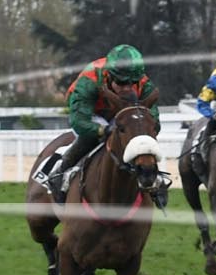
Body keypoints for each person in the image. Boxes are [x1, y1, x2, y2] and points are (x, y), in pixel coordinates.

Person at [49, 44, 160, 202]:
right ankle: (61, 172)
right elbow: (79, 122)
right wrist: (103, 130)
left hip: (121, 113)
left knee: (139, 134)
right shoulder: (90, 80)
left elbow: (154, 122)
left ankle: (155, 179)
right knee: (90, 138)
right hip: (90, 112)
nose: (127, 89)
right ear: (109, 75)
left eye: (132, 83)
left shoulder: (144, 83)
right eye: (121, 83)